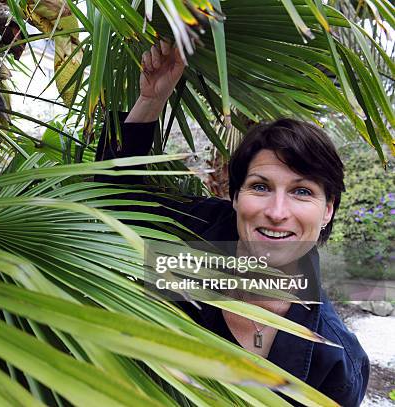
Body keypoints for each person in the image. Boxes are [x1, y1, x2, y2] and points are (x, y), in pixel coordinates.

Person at [95, 41, 369, 406]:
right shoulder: (190, 241)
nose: (277, 211)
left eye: (302, 192)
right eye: (260, 186)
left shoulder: (337, 361)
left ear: (328, 210)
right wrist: (151, 100)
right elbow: (113, 197)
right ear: (235, 195)